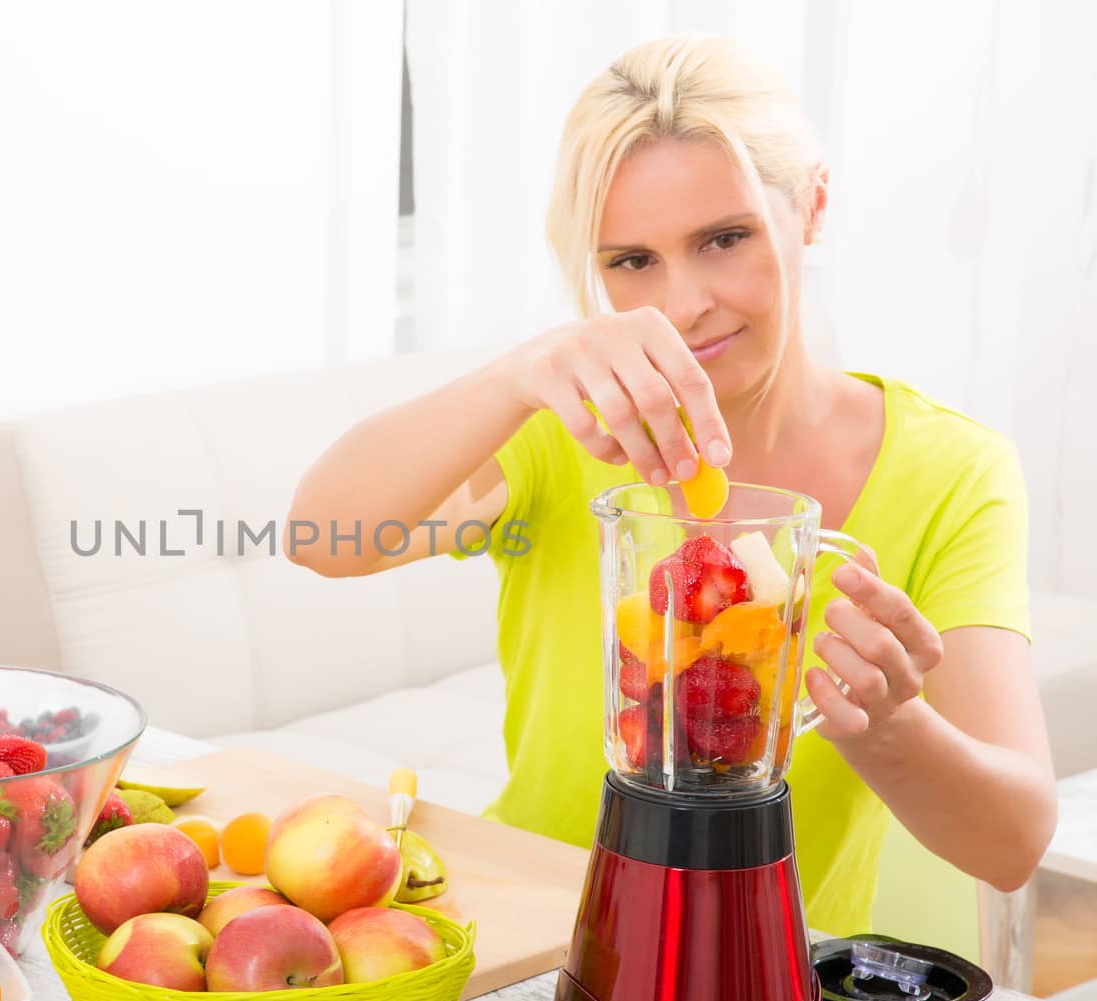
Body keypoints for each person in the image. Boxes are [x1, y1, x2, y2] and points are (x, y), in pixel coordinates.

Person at [284, 32, 1055, 936]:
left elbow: (1012, 842)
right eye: (631, 262)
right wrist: (516, 374)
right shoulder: (565, 428)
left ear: (811, 204)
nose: (683, 304)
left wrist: (891, 728)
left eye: (723, 239)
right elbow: (320, 539)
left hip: (761, 974)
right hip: (528, 940)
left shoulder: (950, 471)